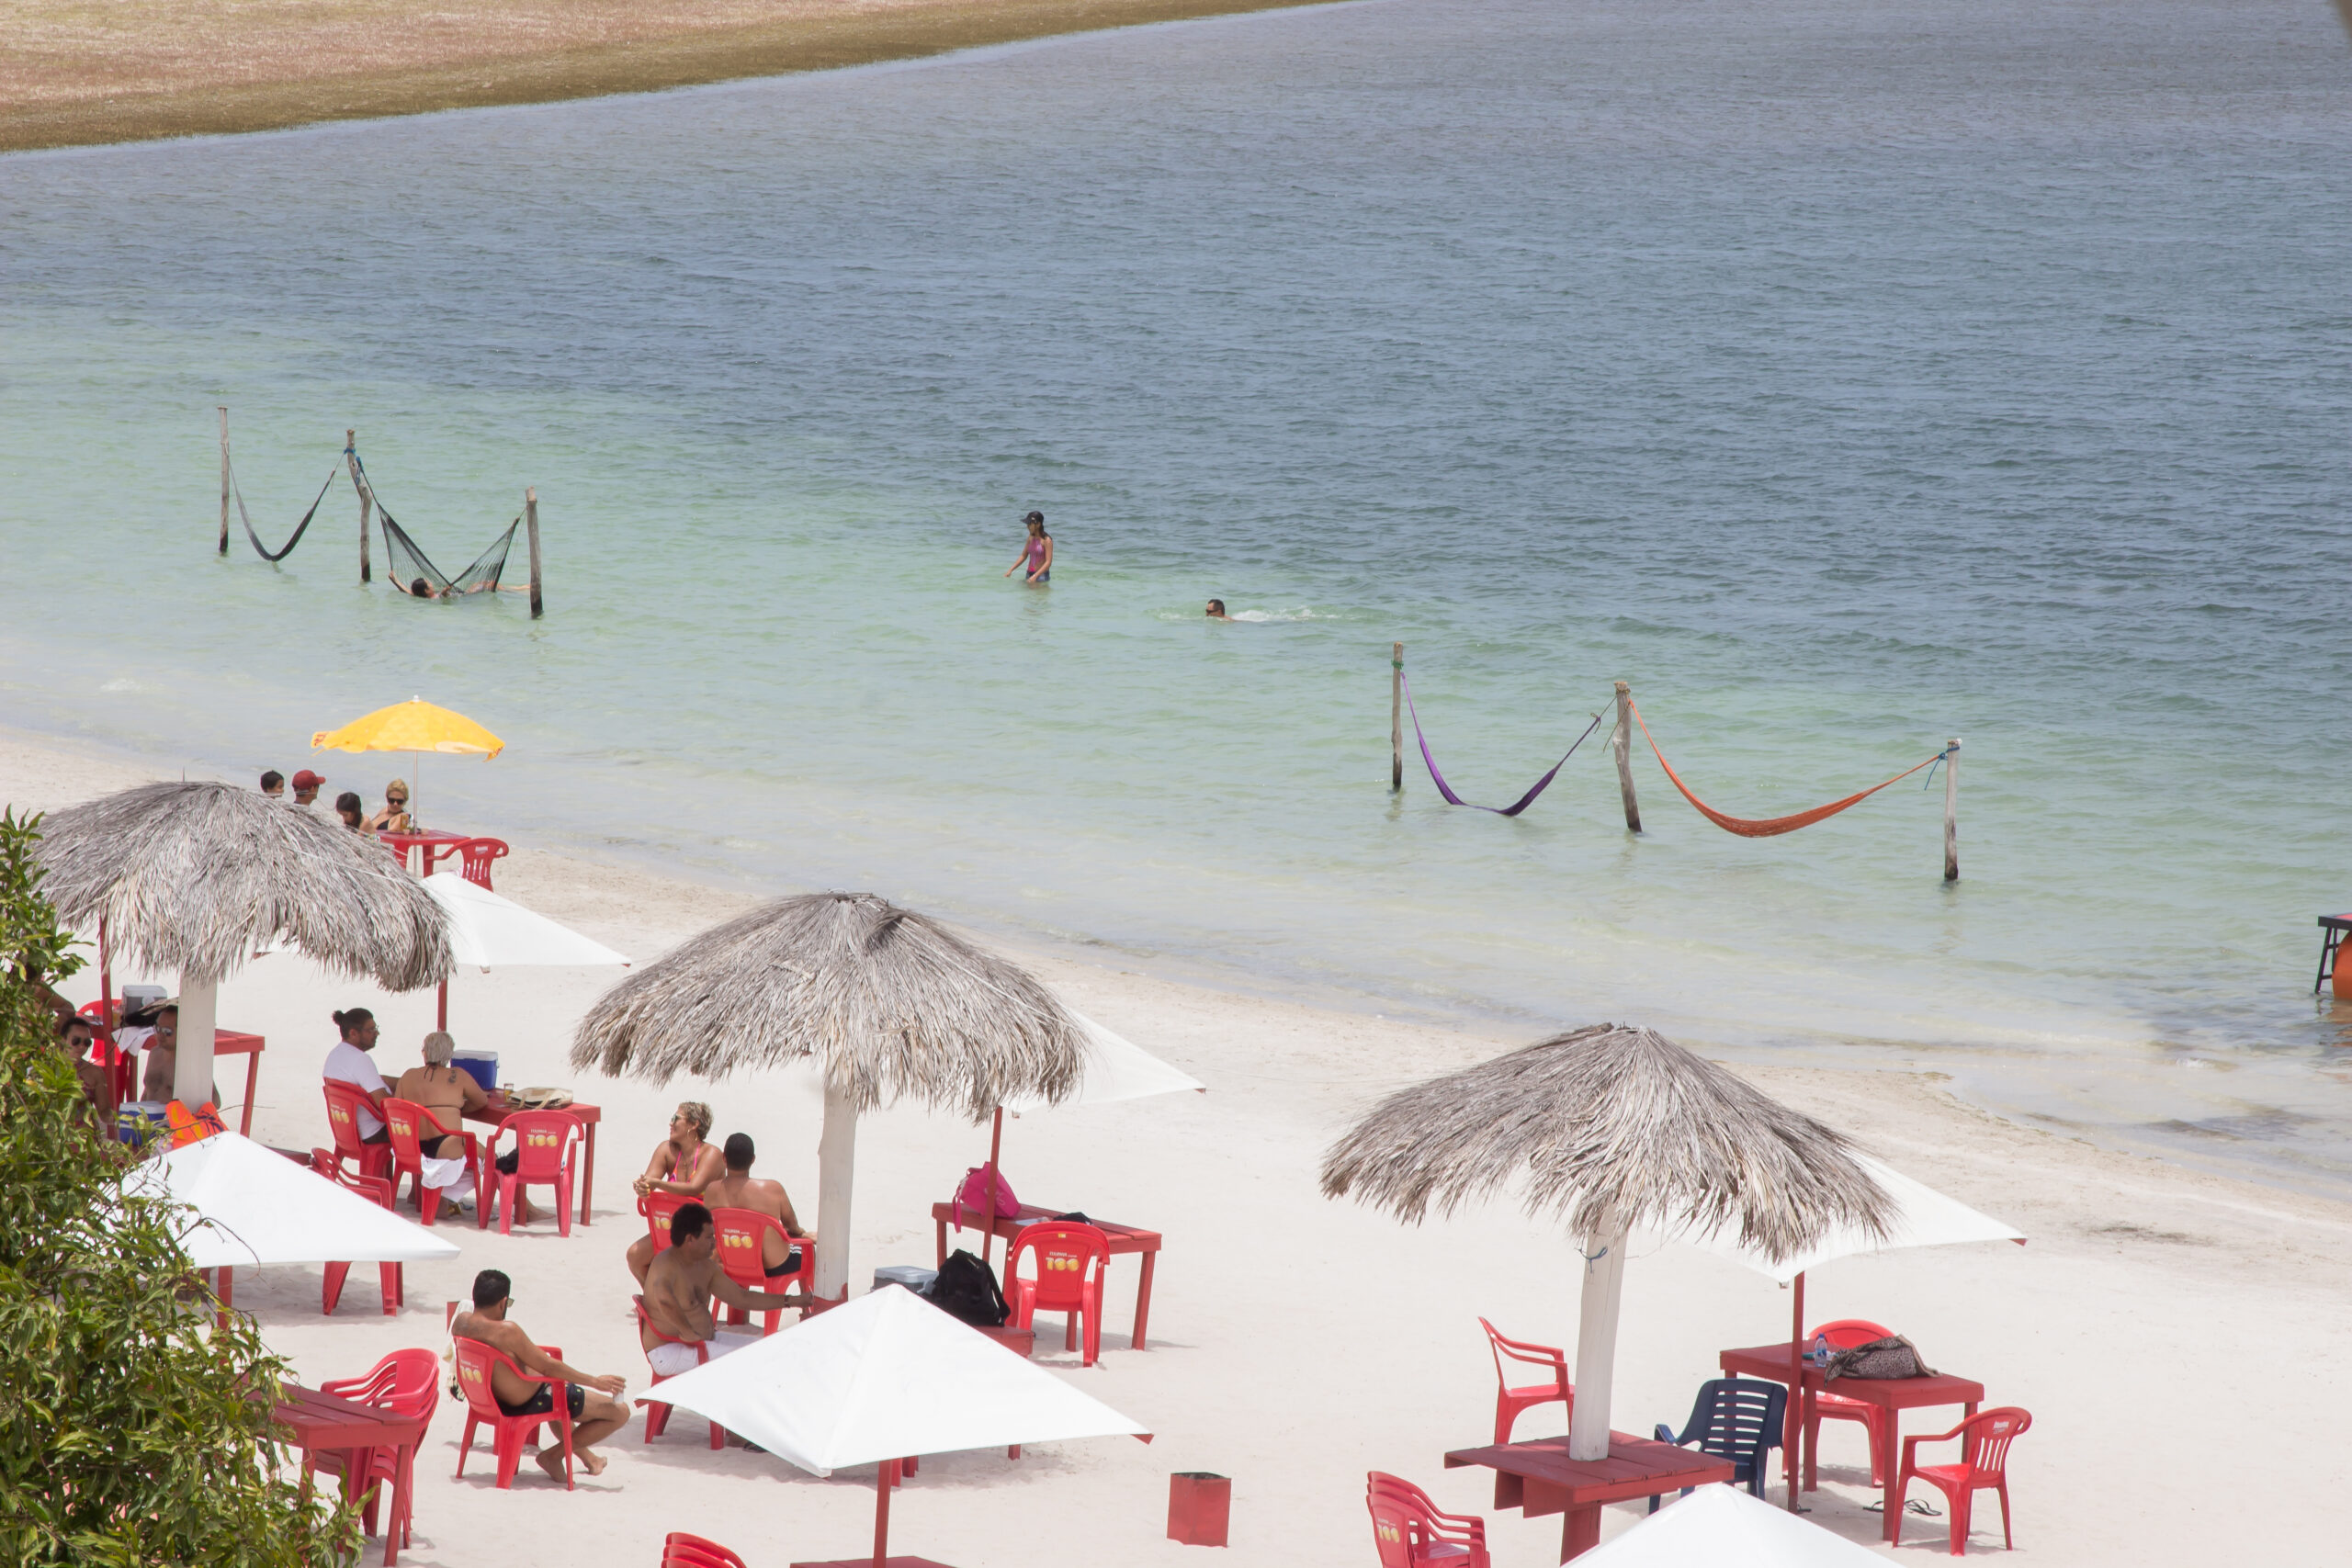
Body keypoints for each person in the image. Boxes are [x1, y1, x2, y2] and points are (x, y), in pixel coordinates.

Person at [452, 1269, 630, 1481]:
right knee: (620, 1412)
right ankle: (553, 1456)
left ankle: (590, 1459)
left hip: (487, 1399)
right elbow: (548, 1367)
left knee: (557, 1388)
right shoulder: (506, 1331)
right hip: (525, 1401)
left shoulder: (461, 1323)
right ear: (503, 1303)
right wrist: (595, 1381)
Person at [640, 1203, 801, 1382]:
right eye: (709, 1237)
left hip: (705, 1340)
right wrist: (687, 1332)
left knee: (771, 1346)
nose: (714, 1243)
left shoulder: (705, 1266)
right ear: (690, 1239)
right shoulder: (666, 1263)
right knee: (759, 1359)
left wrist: (790, 1301)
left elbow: (742, 1298)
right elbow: (664, 1299)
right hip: (669, 1350)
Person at [392, 1031, 503, 1222]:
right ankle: (522, 1208)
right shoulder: (457, 1075)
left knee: (476, 1153)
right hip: (446, 1145)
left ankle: (439, 1200)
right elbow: (481, 1101)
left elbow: (397, 1109)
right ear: (449, 1055)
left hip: (412, 1147)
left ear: (425, 1052)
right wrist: (457, 1108)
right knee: (488, 1157)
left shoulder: (408, 1076)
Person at [624, 1102, 725, 1286]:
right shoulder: (667, 1150)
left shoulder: (712, 1154)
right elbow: (649, 1181)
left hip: (707, 1233)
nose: (670, 1123)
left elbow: (694, 1188)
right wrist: (643, 1187)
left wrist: (656, 1184)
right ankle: (655, 1298)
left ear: (693, 1124)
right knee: (634, 1256)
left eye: (675, 1119)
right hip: (674, 1228)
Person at [703, 1133, 808, 1279]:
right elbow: (792, 1226)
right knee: (807, 1250)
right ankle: (808, 1294)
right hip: (772, 1265)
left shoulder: (711, 1191)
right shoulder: (773, 1189)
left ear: (724, 1158)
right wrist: (802, 1233)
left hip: (731, 1262)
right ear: (753, 1159)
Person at [322, 1007, 391, 1145]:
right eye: (370, 1030)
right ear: (353, 1033)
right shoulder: (360, 1059)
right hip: (372, 1132)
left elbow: (368, 1079)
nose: (377, 1033)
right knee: (425, 1131)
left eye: (375, 1028)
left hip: (347, 1133)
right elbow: (385, 1104)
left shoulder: (334, 1055)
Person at [139, 1003, 220, 1106]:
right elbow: (147, 1091)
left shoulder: (190, 1061)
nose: (160, 1035)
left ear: (183, 1031)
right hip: (148, 1114)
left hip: (175, 1115)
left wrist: (180, 1105)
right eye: (157, 1029)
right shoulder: (154, 1054)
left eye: (167, 1031)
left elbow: (215, 1102)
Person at [59, 1014, 110, 1110]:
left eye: (87, 1042)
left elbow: (104, 1111)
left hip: (85, 1120)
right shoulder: (48, 1068)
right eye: (76, 1041)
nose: (82, 1046)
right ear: (63, 1040)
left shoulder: (95, 1072)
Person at [1002, 512, 1053, 584]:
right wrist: (1010, 570)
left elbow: (1048, 562)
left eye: (1030, 524)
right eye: (1027, 524)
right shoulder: (1030, 538)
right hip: (1029, 573)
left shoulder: (1047, 540)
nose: (1027, 526)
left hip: (1041, 576)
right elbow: (1023, 556)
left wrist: (1035, 576)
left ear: (1038, 524)